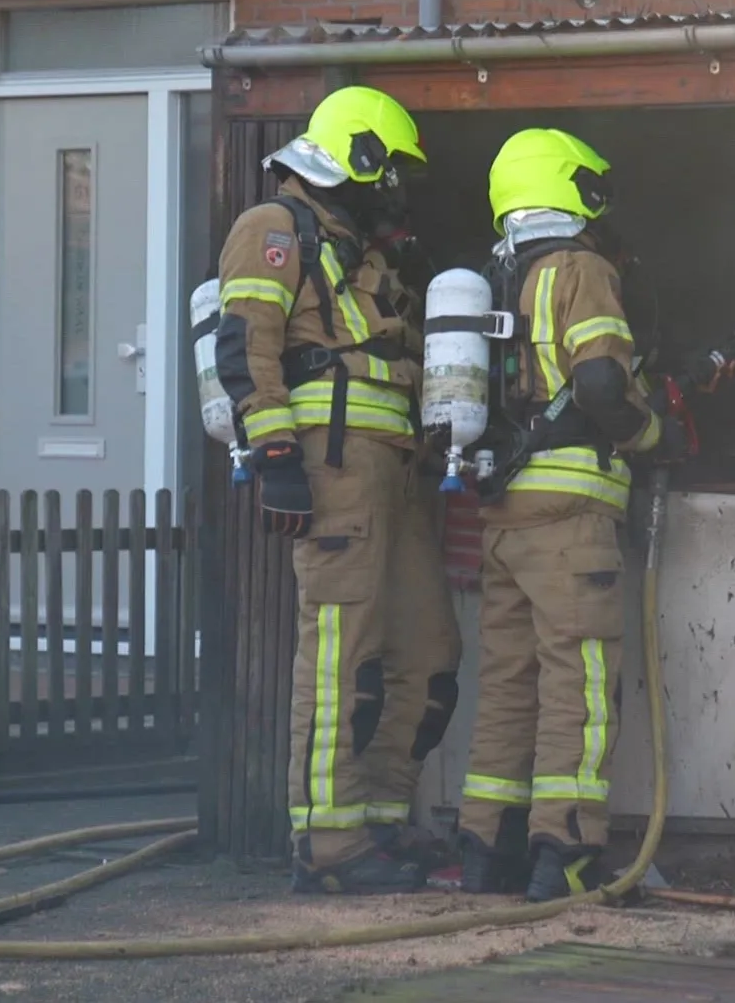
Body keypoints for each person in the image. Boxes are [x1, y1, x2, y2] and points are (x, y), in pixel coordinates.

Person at [213, 85, 464, 896]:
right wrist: (276, 454)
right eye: (392, 171)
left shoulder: (369, 256)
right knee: (339, 662)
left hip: (396, 480)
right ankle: (330, 844)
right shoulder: (274, 229)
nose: (398, 189)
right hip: (330, 472)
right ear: (360, 158)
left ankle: (381, 820)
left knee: (428, 656)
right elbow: (243, 342)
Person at [454, 128, 689, 902]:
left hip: (503, 514)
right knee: (579, 684)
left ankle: (486, 853)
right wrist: (654, 433)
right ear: (574, 189)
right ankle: (569, 852)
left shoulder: (493, 277)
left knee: (508, 682)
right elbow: (596, 385)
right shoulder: (578, 268)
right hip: (570, 513)